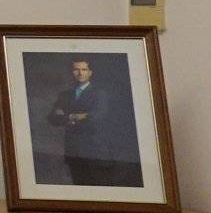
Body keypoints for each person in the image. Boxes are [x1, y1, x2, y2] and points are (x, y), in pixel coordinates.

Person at [42, 57, 139, 186]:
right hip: (73, 151)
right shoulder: (65, 95)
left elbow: (96, 117)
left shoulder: (99, 94)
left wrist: (66, 116)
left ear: (90, 72)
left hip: (94, 151)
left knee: (97, 188)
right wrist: (76, 116)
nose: (80, 73)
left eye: (84, 69)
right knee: (79, 187)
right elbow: (53, 118)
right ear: (72, 72)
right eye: (76, 69)